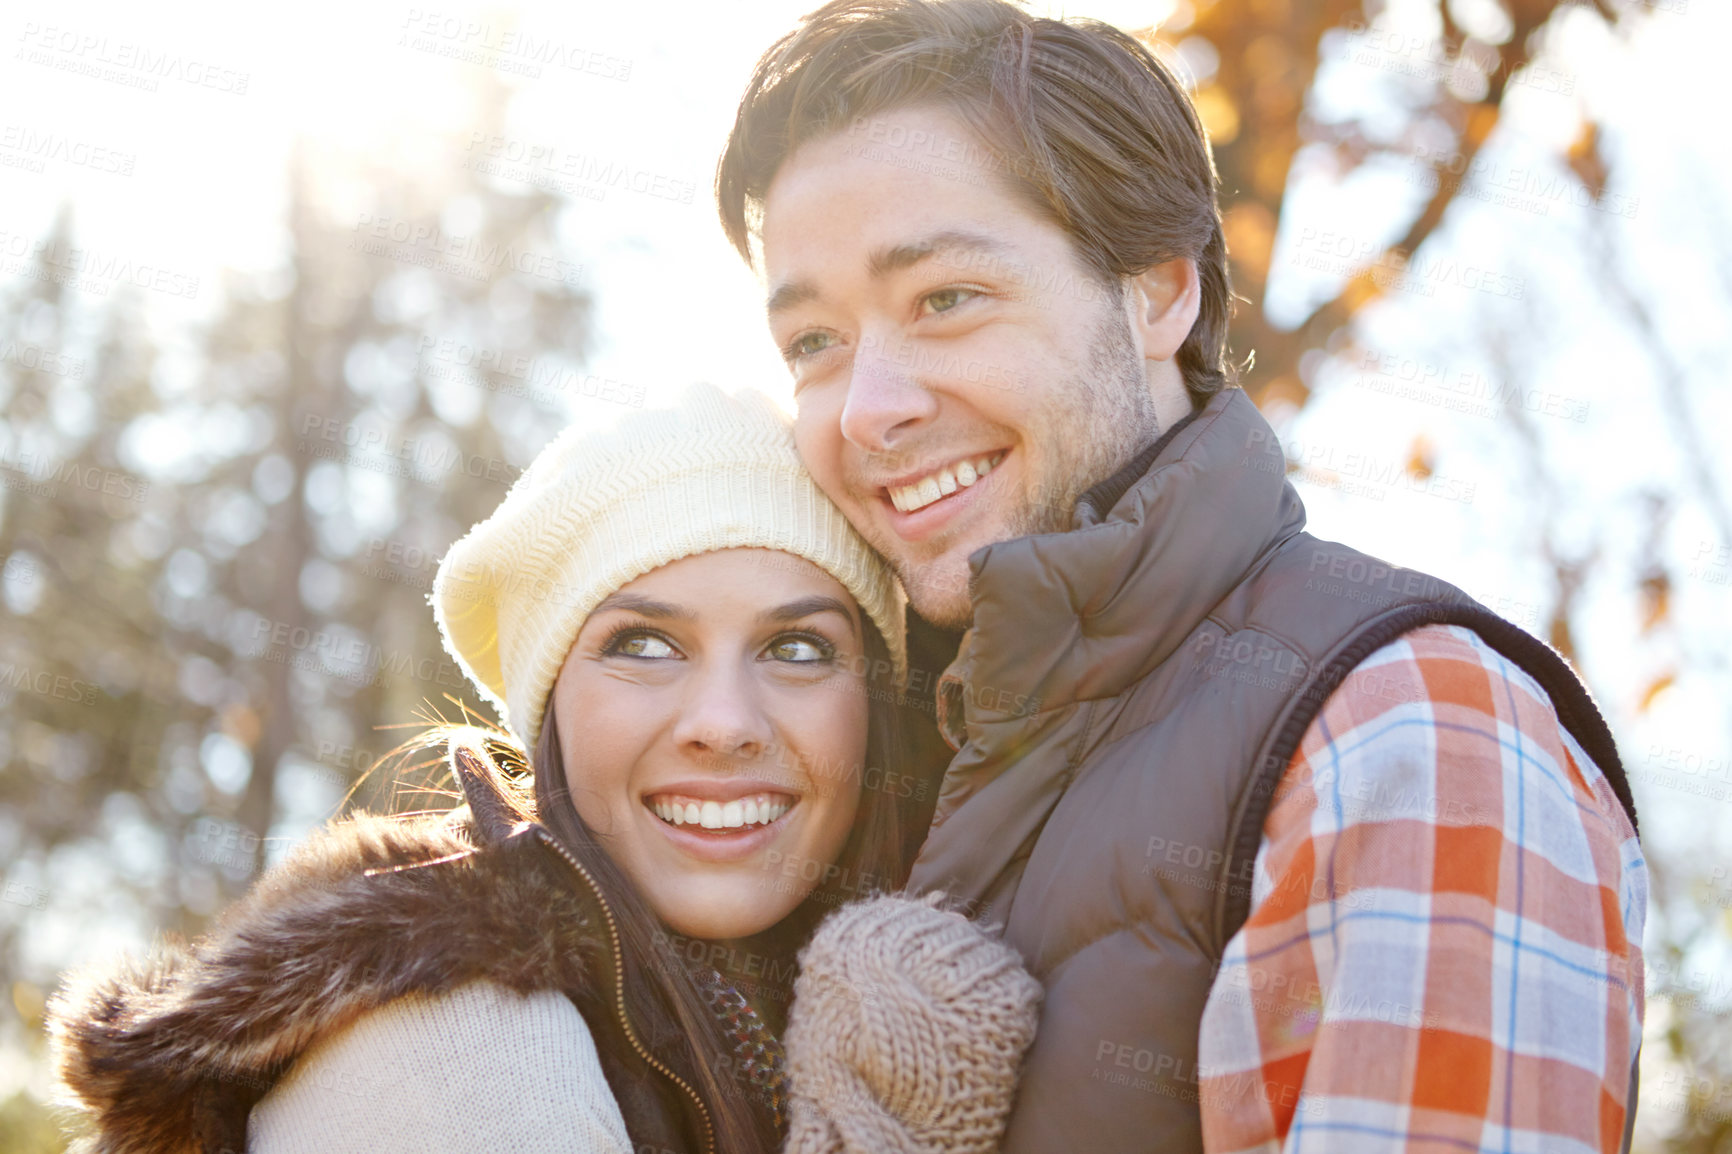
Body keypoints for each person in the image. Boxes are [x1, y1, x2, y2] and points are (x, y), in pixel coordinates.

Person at [715, 2, 1648, 1151]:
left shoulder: (1408, 733)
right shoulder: (881, 745)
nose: (868, 407)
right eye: (814, 342)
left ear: (1160, 291)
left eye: (945, 300)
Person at [46, 384, 1040, 1154]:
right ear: (549, 710)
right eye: (645, 645)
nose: (725, 722)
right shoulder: (460, 1036)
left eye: (797, 649)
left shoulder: (835, 1007)